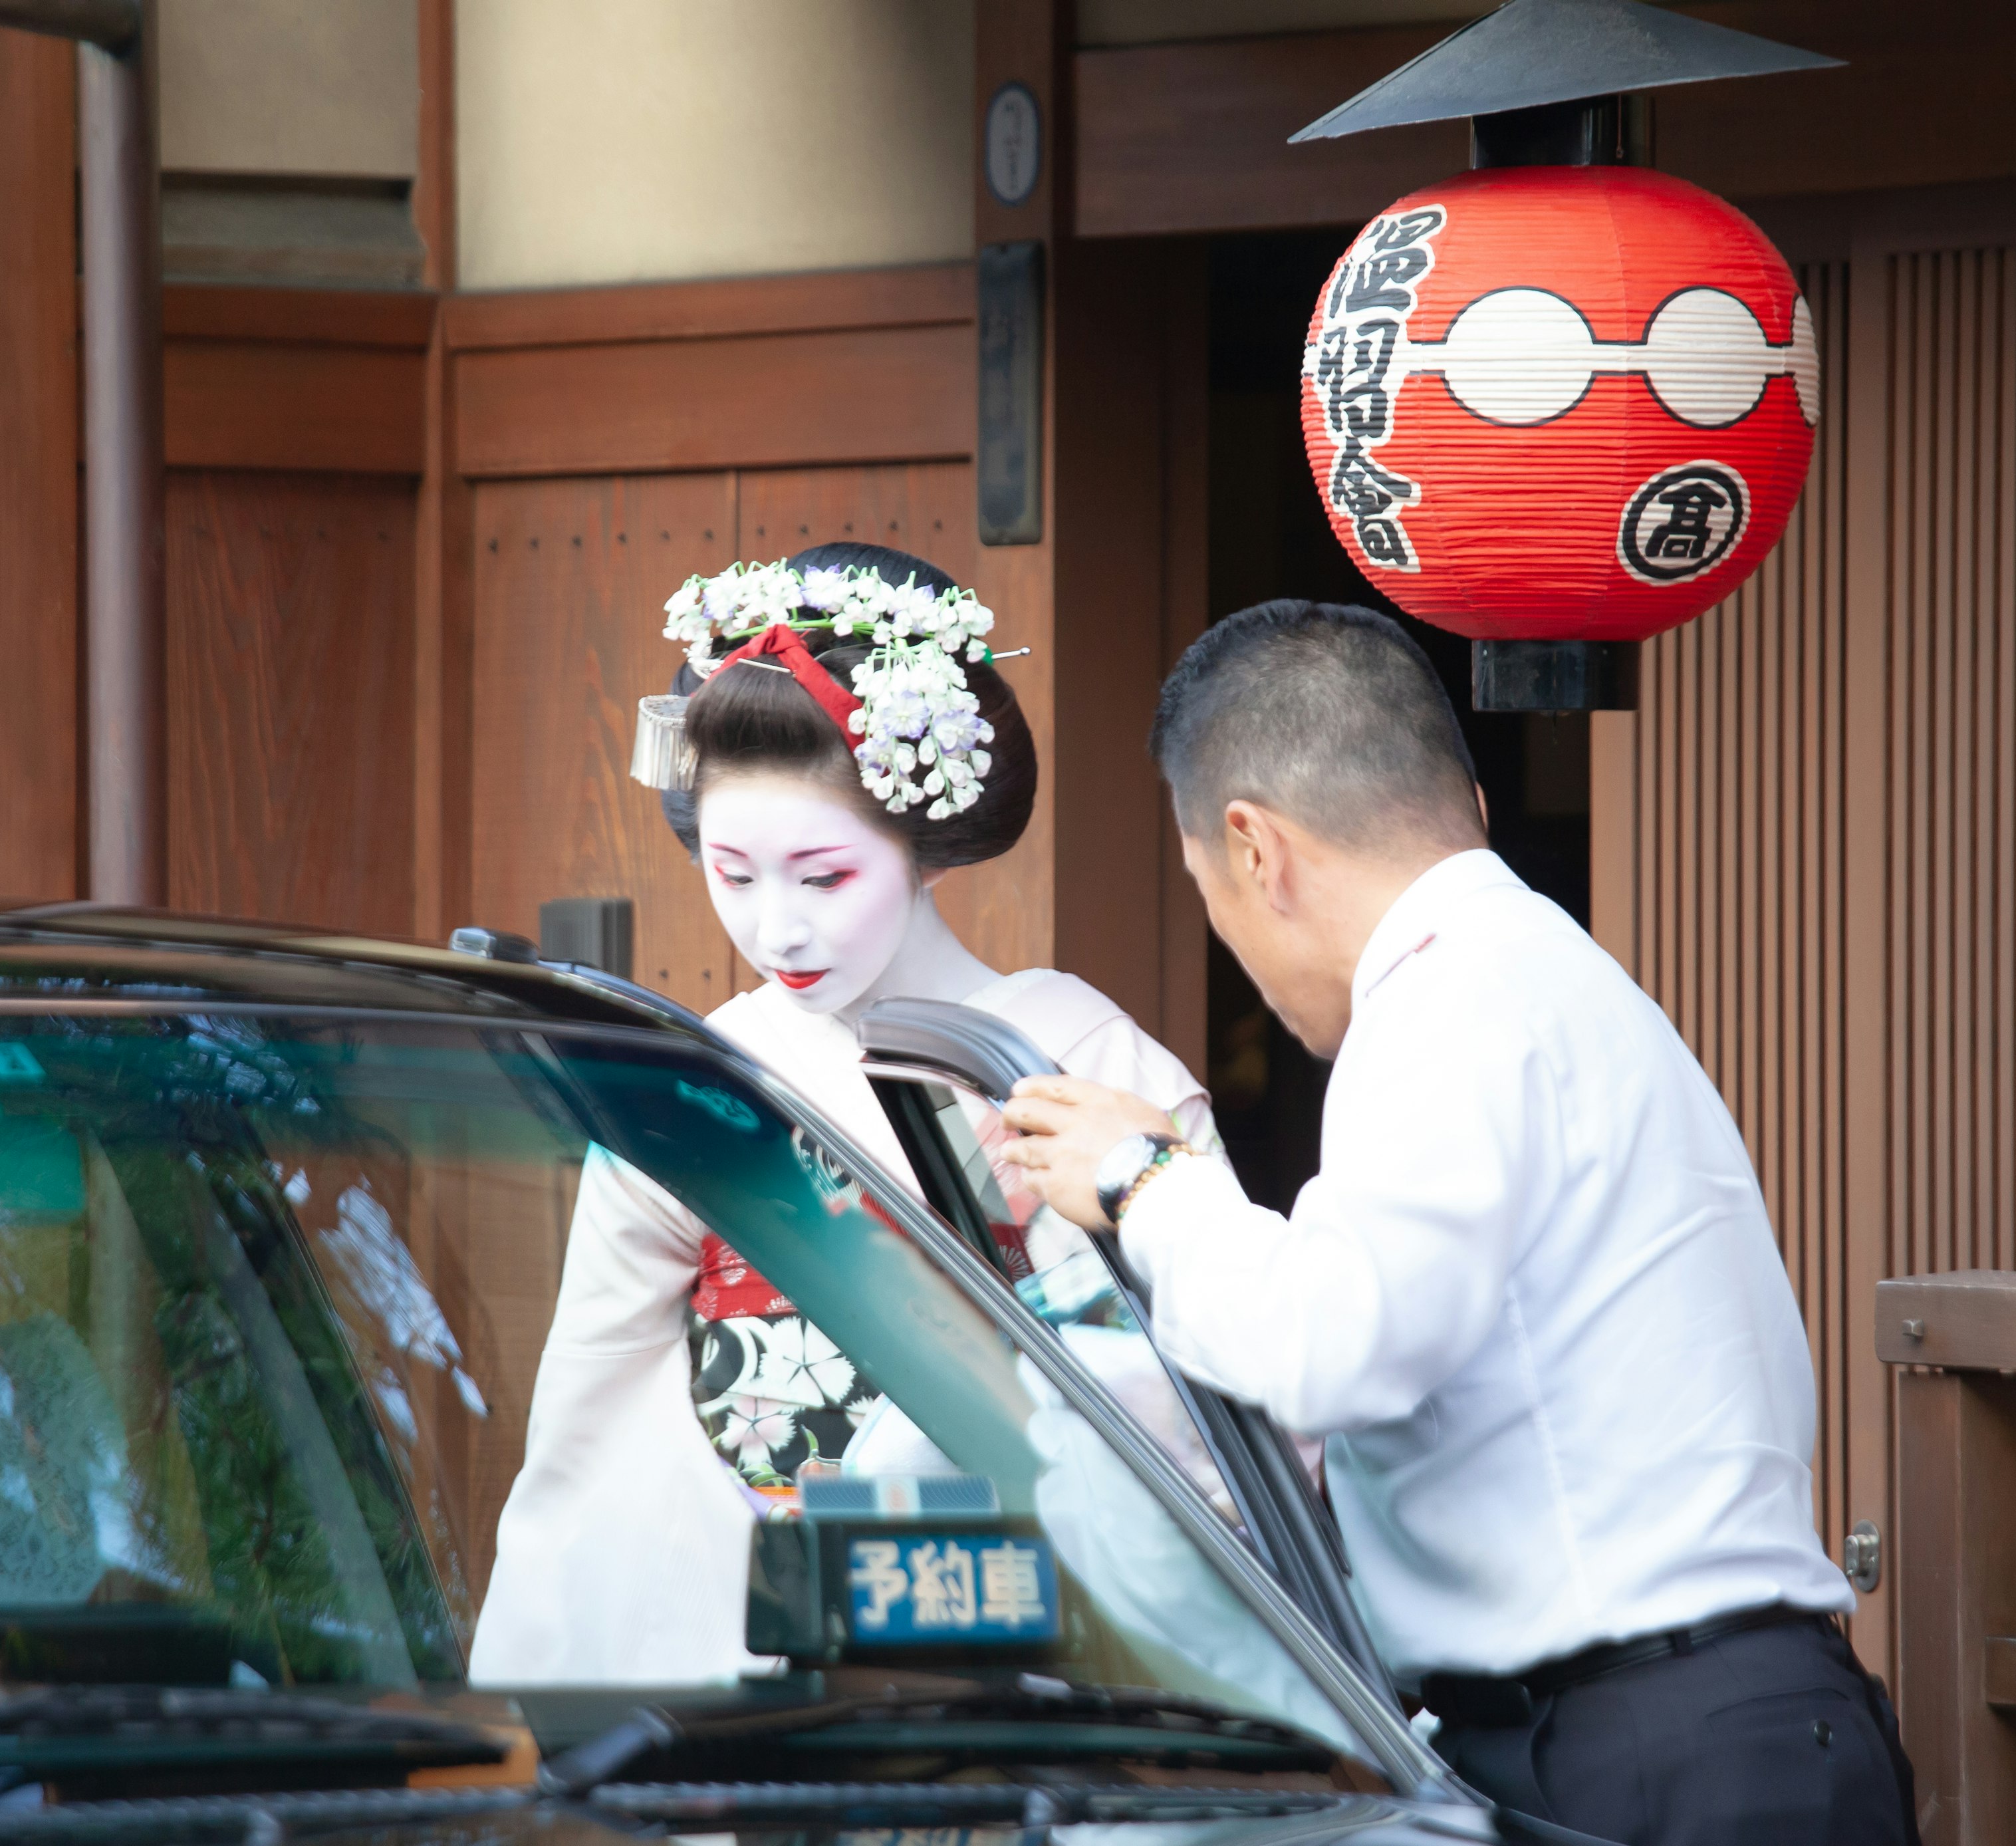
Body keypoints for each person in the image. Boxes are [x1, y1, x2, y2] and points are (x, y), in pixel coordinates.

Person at [995, 599, 1916, 1844]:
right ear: (1470, 803)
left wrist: (1141, 1177)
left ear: (1254, 850)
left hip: (1651, 1751)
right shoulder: (1535, 970)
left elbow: (1333, 1345)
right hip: (1710, 1725)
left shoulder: (1445, 1006)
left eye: (1208, 890)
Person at [467, 543, 1216, 1686]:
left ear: (921, 840)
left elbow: (1191, 1394)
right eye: (734, 874)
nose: (778, 932)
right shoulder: (698, 1072)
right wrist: (543, 1666)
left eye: (823, 878)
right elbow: (594, 1402)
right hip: (734, 1602)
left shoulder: (1071, 1055)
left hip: (1010, 1612)